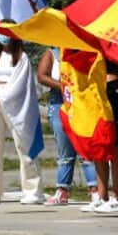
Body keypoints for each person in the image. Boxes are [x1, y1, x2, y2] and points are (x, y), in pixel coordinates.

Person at [0, 33, 43, 205]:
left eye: (7, 33)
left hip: (15, 105)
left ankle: (33, 190)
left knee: (24, 146)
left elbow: (20, 83)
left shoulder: (22, 57)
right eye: (1, 34)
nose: (4, 38)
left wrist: (4, 97)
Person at [37, 47, 98, 206]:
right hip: (59, 101)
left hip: (82, 100)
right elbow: (42, 76)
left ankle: (95, 190)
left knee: (85, 149)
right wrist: (63, 86)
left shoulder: (84, 49)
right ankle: (62, 191)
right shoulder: (53, 53)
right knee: (65, 150)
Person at [93, 57, 118, 212]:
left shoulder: (114, 40)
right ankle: (102, 196)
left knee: (114, 144)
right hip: (96, 89)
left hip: (112, 88)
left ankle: (117, 197)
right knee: (98, 144)